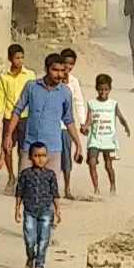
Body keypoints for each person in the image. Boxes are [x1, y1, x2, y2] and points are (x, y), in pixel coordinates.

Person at [4, 53, 84, 198]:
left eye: (62, 71)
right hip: (29, 146)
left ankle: (48, 220)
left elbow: (69, 120)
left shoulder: (65, 92)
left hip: (53, 149)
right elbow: (17, 111)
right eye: (55, 70)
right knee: (24, 190)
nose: (60, 74)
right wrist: (9, 135)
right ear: (47, 69)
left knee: (49, 192)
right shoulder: (31, 87)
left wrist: (78, 144)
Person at [0, 43, 35, 192]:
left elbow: (33, 97)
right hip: (9, 116)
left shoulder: (30, 75)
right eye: (17, 57)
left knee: (23, 150)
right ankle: (11, 176)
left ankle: (21, 178)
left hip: (25, 117)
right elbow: (0, 97)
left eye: (22, 57)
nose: (20, 60)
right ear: (10, 59)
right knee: (7, 148)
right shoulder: (4, 76)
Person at [15, 142, 60, 268]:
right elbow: (19, 192)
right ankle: (30, 258)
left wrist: (58, 210)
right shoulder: (25, 174)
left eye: (43, 155)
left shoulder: (50, 175)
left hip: (46, 210)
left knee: (44, 239)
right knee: (30, 239)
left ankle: (40, 264)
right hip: (29, 211)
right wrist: (17, 209)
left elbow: (55, 193)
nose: (40, 159)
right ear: (30, 157)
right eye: (36, 155)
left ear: (47, 157)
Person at [85, 73, 131, 195]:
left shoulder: (113, 104)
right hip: (94, 139)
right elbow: (89, 119)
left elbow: (120, 116)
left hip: (109, 140)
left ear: (110, 89)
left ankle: (113, 186)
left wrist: (126, 126)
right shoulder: (91, 103)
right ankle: (96, 189)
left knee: (108, 165)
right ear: (96, 88)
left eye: (106, 89)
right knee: (92, 163)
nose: (103, 92)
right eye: (100, 89)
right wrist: (85, 127)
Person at [59, 48, 87, 200]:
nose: (68, 67)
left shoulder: (74, 82)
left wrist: (83, 122)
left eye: (71, 64)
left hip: (66, 127)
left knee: (66, 159)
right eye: (66, 63)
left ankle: (67, 188)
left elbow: (79, 102)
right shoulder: (52, 79)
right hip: (51, 125)